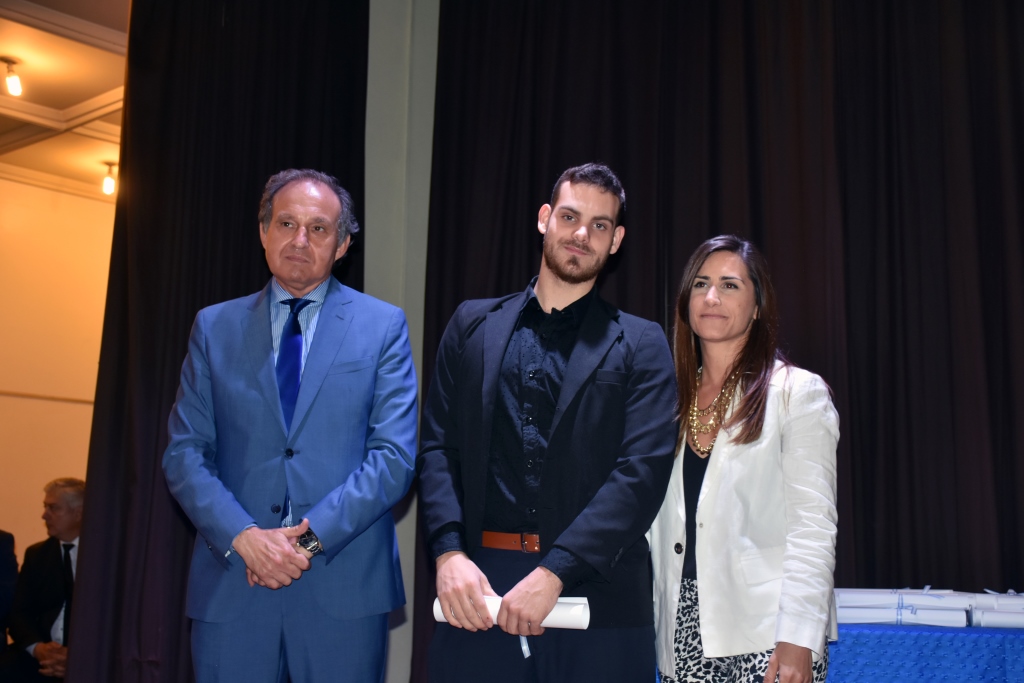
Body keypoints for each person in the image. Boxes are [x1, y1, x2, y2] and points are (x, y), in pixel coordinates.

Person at [418, 163, 678, 682]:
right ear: (544, 219)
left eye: (600, 225)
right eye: (569, 216)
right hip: (478, 591)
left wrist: (556, 572)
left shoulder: (643, 343)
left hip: (598, 595)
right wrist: (448, 554)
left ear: (616, 240)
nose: (582, 234)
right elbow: (436, 450)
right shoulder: (471, 325)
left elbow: (641, 473)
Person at [163, 169, 418, 683]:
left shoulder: (383, 326)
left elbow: (394, 458)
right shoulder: (214, 328)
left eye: (319, 228)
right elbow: (184, 454)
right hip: (235, 582)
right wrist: (245, 538)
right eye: (286, 223)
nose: (300, 240)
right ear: (263, 232)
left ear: (343, 244)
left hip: (341, 586)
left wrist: (303, 544)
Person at [649, 235, 839, 683]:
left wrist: (797, 641)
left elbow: (814, 526)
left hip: (769, 632)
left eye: (730, 285)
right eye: (700, 284)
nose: (711, 297)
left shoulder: (797, 393)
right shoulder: (664, 403)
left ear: (758, 307)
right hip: (681, 626)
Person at [7, 478, 86, 681]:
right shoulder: (37, 555)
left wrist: (78, 657)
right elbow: (18, 613)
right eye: (45, 507)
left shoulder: (107, 558)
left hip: (91, 654)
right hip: (41, 656)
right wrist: (38, 649)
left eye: (53, 508)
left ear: (78, 513)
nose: (44, 515)